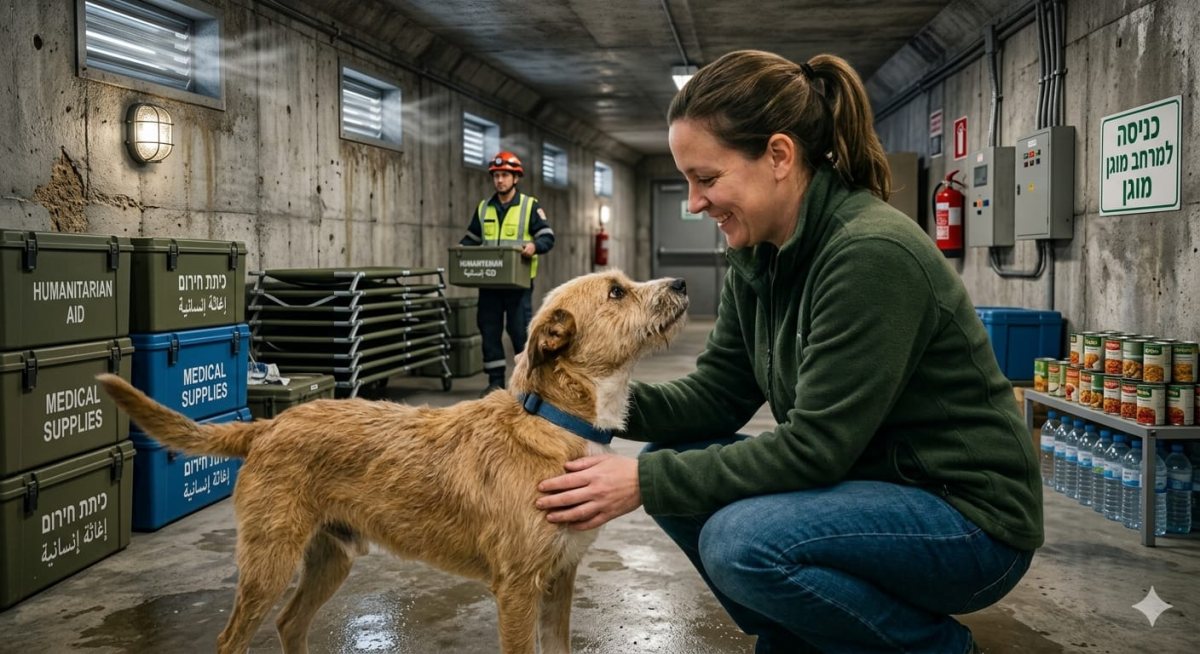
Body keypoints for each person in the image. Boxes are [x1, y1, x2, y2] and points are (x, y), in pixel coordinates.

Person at [534, 50, 1042, 654]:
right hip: (870, 484)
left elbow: (815, 448)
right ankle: (800, 635)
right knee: (676, 457)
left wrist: (644, 480)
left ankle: (934, 649)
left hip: (964, 518)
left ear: (778, 156)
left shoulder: (869, 255)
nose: (694, 202)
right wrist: (575, 400)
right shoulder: (759, 256)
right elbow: (716, 397)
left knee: (739, 541)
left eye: (707, 178)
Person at [461, 151, 555, 396]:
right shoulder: (484, 208)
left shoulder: (529, 206)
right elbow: (470, 239)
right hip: (490, 284)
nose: (500, 180)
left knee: (519, 332)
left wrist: (534, 246)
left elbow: (547, 236)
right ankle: (495, 383)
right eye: (496, 176)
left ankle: (526, 382)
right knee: (489, 331)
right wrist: (462, 250)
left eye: (504, 175)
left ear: (516, 178)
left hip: (518, 285)